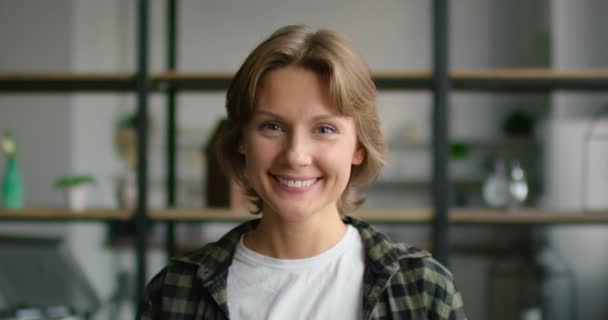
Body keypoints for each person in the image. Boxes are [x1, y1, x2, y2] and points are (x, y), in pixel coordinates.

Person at [138, 24, 466, 320]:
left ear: (359, 147)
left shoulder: (423, 290)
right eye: (272, 126)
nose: (296, 155)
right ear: (241, 140)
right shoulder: (174, 292)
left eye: (324, 129)